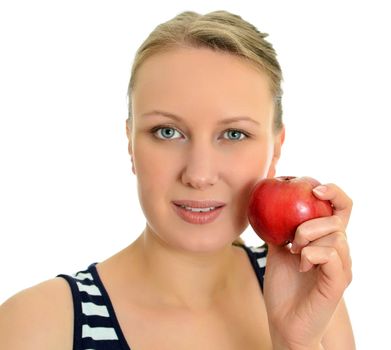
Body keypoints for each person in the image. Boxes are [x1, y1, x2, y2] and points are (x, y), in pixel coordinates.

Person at [0, 10, 355, 349]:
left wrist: (296, 343)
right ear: (130, 143)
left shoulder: (310, 299)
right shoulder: (37, 325)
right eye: (167, 131)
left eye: (233, 134)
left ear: (275, 150)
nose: (199, 175)